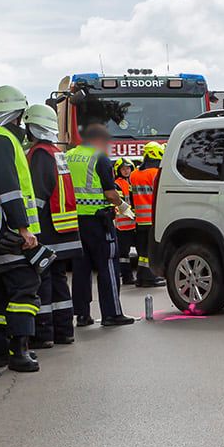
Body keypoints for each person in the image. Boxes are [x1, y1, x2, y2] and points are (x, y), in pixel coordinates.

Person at [0, 86, 41, 373]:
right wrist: (23, 227)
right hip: (8, 230)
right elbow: (8, 189)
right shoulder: (1, 140)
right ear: (15, 114)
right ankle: (19, 351)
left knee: (0, 292)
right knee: (25, 287)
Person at [23, 103, 80, 347]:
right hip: (64, 228)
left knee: (43, 281)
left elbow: (37, 195)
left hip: (46, 228)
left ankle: (43, 333)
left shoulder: (39, 154)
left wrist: (26, 224)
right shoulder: (56, 152)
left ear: (32, 128)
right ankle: (64, 331)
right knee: (59, 281)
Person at [67, 123, 134, 327]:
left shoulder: (68, 156)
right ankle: (111, 313)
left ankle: (82, 315)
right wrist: (124, 207)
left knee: (81, 269)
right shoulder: (99, 158)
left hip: (74, 222)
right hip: (99, 221)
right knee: (108, 266)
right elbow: (110, 193)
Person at [129, 140, 164, 287]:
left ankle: (141, 278)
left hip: (139, 220)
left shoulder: (134, 174)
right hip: (152, 219)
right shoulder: (155, 174)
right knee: (151, 251)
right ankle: (150, 278)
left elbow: (131, 197)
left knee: (142, 252)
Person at [113, 157, 139, 283]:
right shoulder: (117, 184)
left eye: (128, 168)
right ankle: (127, 277)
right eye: (123, 169)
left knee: (141, 251)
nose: (126, 171)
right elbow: (119, 203)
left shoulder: (132, 181)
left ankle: (141, 276)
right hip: (123, 225)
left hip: (134, 224)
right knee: (124, 254)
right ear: (118, 171)